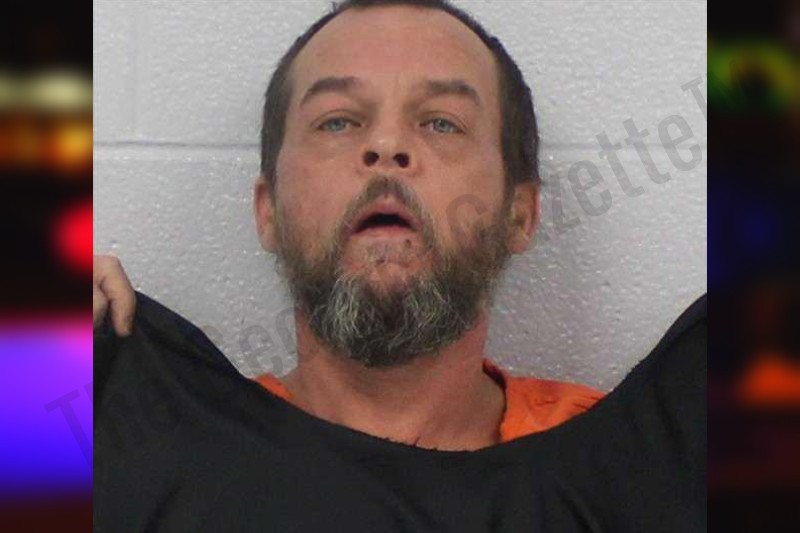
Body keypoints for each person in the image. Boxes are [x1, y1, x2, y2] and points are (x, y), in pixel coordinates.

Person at [94, 1, 706, 530]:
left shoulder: (644, 474)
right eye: (338, 121)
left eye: (441, 122)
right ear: (269, 212)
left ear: (519, 215)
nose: (386, 147)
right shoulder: (135, 453)